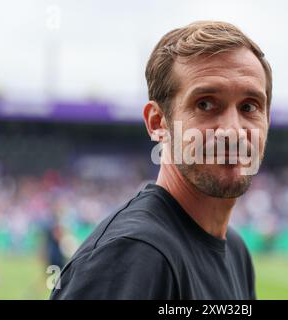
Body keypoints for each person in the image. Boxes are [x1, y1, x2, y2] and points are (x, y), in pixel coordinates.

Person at [51, 20, 272, 299]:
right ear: (158, 122)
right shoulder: (133, 254)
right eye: (205, 104)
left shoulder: (235, 250)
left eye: (249, 106)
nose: (233, 130)